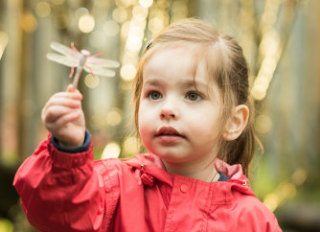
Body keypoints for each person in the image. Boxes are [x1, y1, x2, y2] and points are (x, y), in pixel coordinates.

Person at [13, 18, 282, 232]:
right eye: (155, 94)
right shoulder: (113, 187)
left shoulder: (253, 221)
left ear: (233, 122)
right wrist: (68, 151)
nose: (167, 109)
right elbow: (54, 212)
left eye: (192, 95)